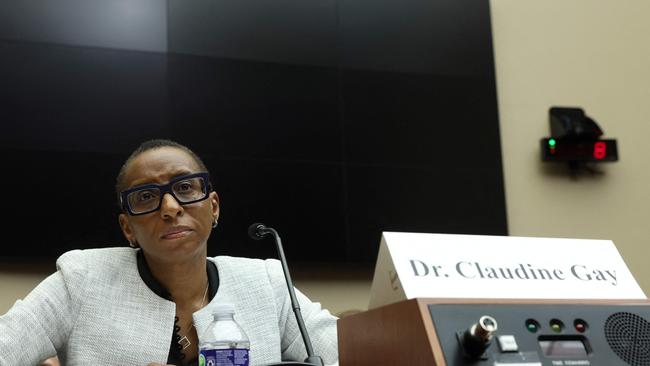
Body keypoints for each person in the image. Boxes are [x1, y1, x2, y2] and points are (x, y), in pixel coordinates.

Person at [0, 139, 339, 366]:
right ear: (127, 227)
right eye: (146, 197)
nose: (170, 207)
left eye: (185, 187)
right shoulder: (82, 281)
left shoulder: (266, 284)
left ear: (214, 206)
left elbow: (344, 352)